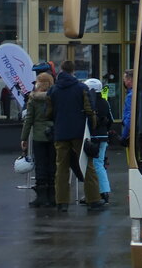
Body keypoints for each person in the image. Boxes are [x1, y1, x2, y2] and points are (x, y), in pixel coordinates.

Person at [48, 60, 93, 213]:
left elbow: (48, 112)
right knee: (86, 165)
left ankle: (61, 202)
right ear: (73, 71)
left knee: (61, 168)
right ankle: (93, 199)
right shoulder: (82, 88)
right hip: (79, 132)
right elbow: (89, 110)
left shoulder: (53, 90)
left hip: (60, 132)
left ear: (61, 70)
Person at [20, 71, 55, 208]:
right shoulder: (55, 97)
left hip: (39, 136)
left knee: (40, 166)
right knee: (53, 165)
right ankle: (53, 197)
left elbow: (29, 120)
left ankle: (41, 197)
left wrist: (24, 138)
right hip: (53, 135)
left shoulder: (33, 98)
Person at [84, 78, 113, 210]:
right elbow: (110, 120)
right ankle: (102, 192)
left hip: (93, 137)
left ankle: (100, 193)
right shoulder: (105, 102)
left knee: (94, 165)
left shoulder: (90, 103)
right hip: (103, 137)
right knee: (99, 164)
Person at [119, 69, 133, 147]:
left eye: (124, 79)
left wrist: (124, 136)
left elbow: (130, 117)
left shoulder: (131, 96)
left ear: (129, 80)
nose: (123, 81)